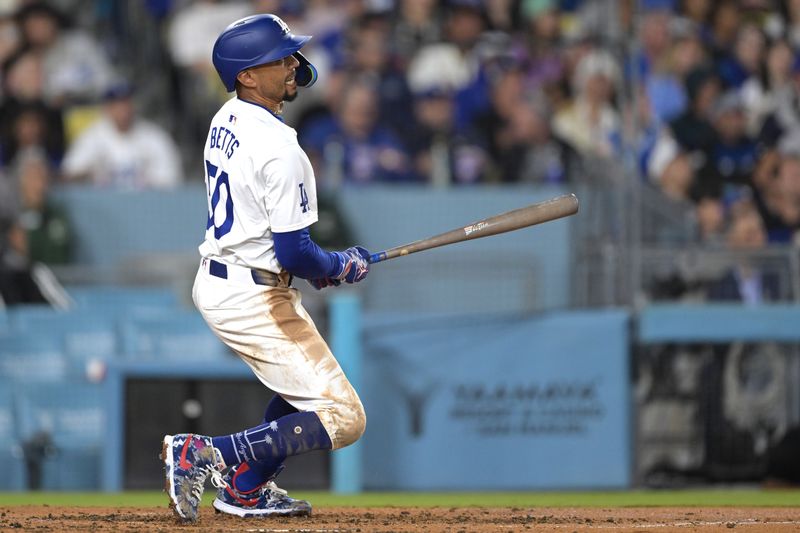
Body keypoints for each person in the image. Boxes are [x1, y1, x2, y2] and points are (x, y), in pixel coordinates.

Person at [161, 14, 370, 523]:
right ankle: (207, 453)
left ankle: (246, 489)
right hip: (251, 294)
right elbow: (296, 252)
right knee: (345, 418)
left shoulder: (226, 116)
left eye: (291, 54)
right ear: (247, 76)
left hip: (232, 278)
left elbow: (284, 248)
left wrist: (321, 268)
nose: (294, 64)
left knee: (300, 392)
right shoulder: (281, 148)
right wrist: (338, 264)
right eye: (279, 58)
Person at [60, 83, 183, 189]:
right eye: (117, 104)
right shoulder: (90, 138)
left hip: (147, 207)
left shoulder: (154, 137)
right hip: (103, 208)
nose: (123, 110)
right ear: (107, 108)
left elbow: (171, 182)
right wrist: (86, 175)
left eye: (126, 102)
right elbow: (69, 176)